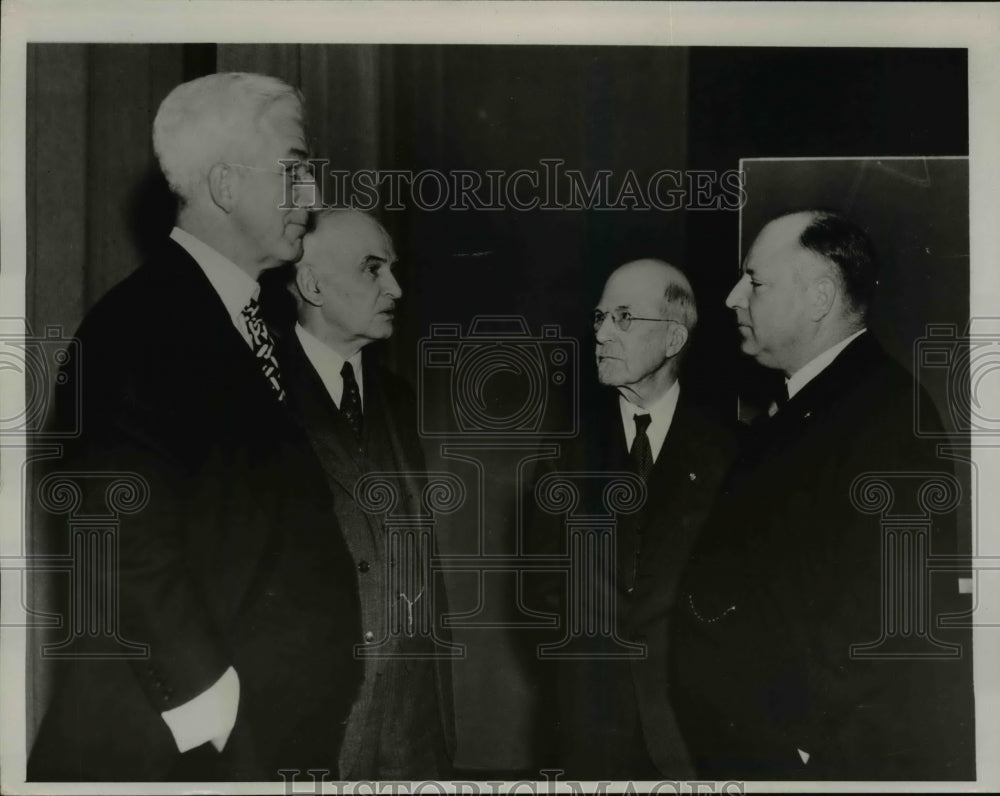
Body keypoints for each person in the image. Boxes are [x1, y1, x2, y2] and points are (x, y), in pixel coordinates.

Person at [28, 73, 362, 781]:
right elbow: (120, 539)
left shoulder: (258, 322)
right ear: (226, 186)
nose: (313, 196)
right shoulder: (134, 329)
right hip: (180, 755)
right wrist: (219, 718)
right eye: (295, 170)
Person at [670, 210, 975, 780]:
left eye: (755, 282)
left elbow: (894, 611)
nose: (734, 297)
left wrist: (803, 745)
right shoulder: (808, 403)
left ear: (819, 298)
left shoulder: (886, 417)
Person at [527, 259, 737, 779]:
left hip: (698, 729)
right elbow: (541, 593)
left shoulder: (734, 455)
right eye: (599, 318)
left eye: (623, 317)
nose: (601, 333)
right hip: (590, 733)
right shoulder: (562, 460)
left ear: (672, 339)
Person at [273, 208, 454, 779]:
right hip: (309, 731)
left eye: (392, 268)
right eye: (373, 269)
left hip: (411, 732)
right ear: (312, 284)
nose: (395, 287)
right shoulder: (257, 392)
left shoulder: (394, 397)